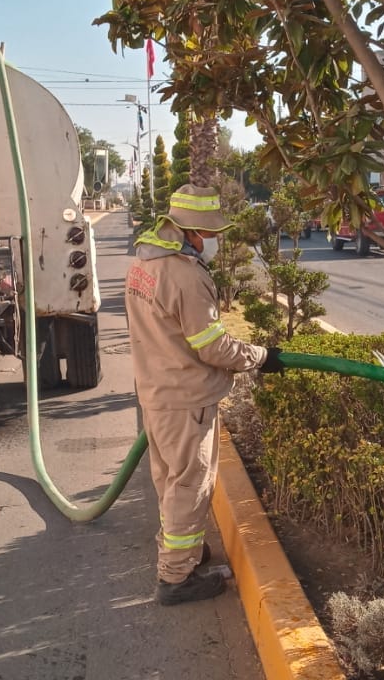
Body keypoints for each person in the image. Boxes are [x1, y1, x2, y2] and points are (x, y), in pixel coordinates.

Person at [125, 183, 284, 606]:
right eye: (211, 235)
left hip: (156, 390)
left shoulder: (145, 261)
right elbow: (212, 345)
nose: (215, 241)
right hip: (185, 398)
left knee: (170, 478)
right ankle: (177, 577)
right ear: (191, 232)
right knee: (190, 483)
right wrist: (262, 356)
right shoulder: (186, 276)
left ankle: (184, 551)